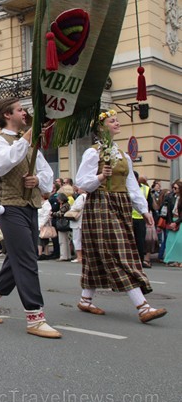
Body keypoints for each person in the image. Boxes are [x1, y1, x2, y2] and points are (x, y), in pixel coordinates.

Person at [0, 97, 61, 338]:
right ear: (7, 115)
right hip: (11, 209)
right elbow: (2, 166)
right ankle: (35, 317)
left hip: (30, 206)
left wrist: (38, 181)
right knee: (27, 261)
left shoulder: (29, 143)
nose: (24, 113)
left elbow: (46, 174)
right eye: (20, 109)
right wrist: (28, 137)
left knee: (19, 259)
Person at [75, 109, 167, 323]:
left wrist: (143, 210)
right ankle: (143, 307)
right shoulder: (93, 152)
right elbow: (82, 183)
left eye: (117, 120)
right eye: (113, 121)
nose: (117, 123)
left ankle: (85, 300)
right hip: (100, 204)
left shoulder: (123, 155)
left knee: (101, 253)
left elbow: (131, 185)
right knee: (118, 252)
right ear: (101, 127)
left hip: (121, 205)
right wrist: (100, 176)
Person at [131, 172, 153, 268]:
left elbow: (149, 203)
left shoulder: (145, 188)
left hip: (140, 218)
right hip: (129, 217)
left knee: (140, 241)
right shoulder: (127, 188)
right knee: (129, 240)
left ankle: (139, 261)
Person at [162, 180, 182, 267]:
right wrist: (170, 222)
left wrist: (176, 222)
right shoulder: (171, 197)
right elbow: (168, 211)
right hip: (172, 220)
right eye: (173, 187)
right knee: (170, 241)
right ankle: (172, 259)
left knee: (179, 242)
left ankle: (180, 260)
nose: (174, 189)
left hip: (180, 221)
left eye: (176, 188)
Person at [68, 188, 86, 263]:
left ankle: (79, 257)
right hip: (82, 220)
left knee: (77, 239)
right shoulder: (87, 196)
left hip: (78, 221)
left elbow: (78, 207)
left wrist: (71, 208)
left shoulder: (81, 197)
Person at [52, 192, 72, 261]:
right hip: (66, 224)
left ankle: (63, 256)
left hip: (62, 224)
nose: (58, 200)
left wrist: (52, 213)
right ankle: (67, 255)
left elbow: (61, 214)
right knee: (66, 240)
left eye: (59, 199)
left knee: (62, 240)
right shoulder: (67, 205)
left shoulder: (64, 206)